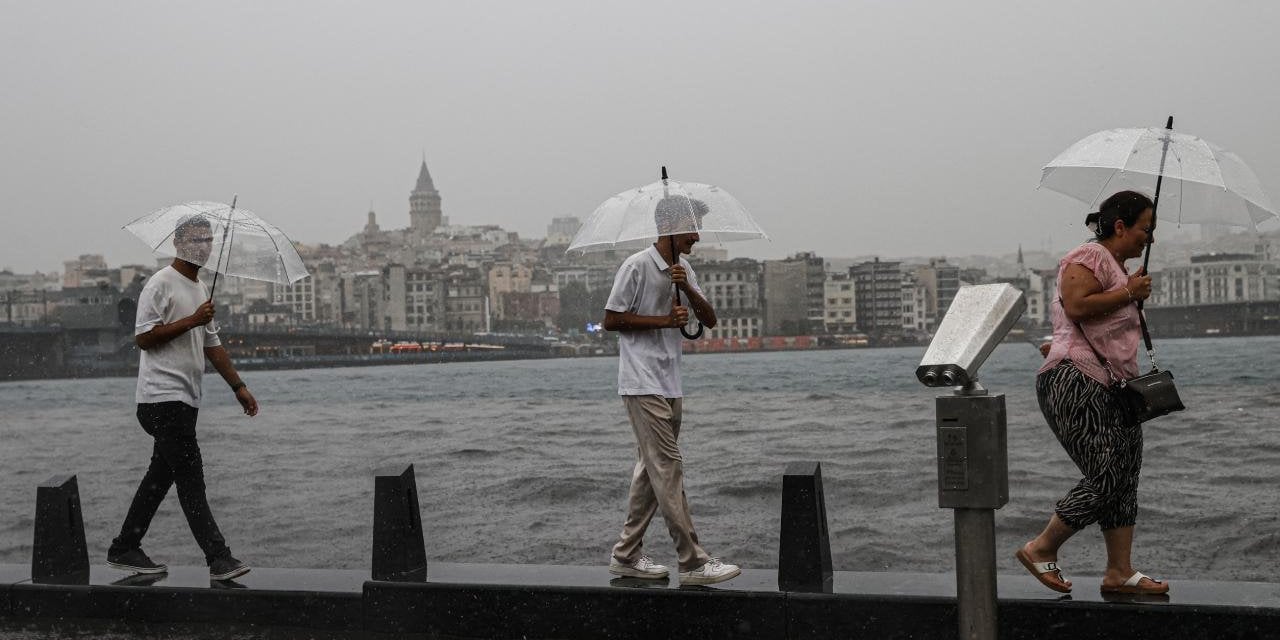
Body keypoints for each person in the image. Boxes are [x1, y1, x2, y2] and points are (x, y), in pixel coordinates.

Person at [1017, 190, 1169, 595]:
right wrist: (1130, 294)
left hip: (1116, 387)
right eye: (1145, 229)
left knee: (1125, 474)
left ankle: (1119, 571)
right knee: (1106, 475)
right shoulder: (1091, 256)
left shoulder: (1117, 267)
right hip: (1076, 379)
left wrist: (1128, 290)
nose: (1149, 239)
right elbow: (1077, 306)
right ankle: (1041, 547)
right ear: (1120, 226)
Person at [107, 214, 258, 582]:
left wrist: (238, 387)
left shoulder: (201, 289)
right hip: (160, 400)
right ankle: (218, 558)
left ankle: (125, 546)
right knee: (192, 480)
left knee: (160, 478)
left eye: (207, 240)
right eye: (195, 240)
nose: (202, 247)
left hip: (184, 401)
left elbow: (212, 344)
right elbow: (143, 338)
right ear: (177, 243)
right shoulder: (160, 284)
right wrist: (192, 319)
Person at [602, 195, 741, 585]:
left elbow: (709, 320)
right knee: (668, 467)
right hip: (641, 381)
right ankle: (693, 561)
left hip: (669, 381)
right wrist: (664, 321)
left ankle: (626, 555)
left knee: (651, 470)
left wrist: (689, 290)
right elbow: (611, 320)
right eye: (693, 226)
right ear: (672, 225)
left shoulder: (684, 268)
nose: (697, 235)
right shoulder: (637, 265)